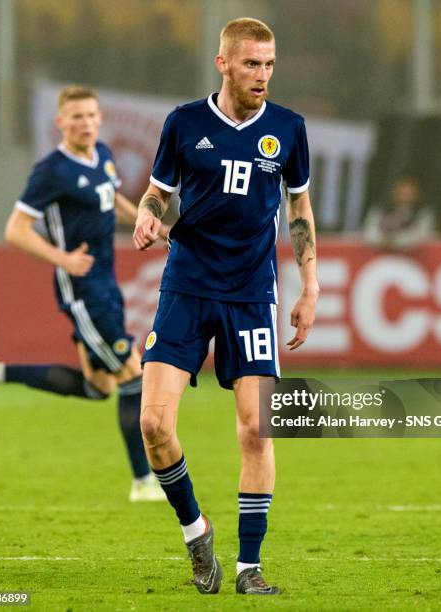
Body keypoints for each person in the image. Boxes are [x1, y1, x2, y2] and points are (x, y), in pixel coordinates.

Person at [133, 18, 318, 595]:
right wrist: (147, 212)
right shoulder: (184, 123)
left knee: (256, 432)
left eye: (269, 64)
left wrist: (311, 286)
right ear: (223, 64)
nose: (262, 75)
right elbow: (159, 190)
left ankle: (248, 568)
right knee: (153, 424)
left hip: (251, 294)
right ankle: (197, 533)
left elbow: (300, 210)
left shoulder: (288, 128)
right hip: (186, 285)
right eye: (250, 64)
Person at [0, 85, 165, 503]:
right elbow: (15, 229)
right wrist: (62, 259)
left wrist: (148, 223)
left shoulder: (103, 155)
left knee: (97, 386)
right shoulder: (51, 171)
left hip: (105, 282)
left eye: (91, 115)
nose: (86, 123)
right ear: (61, 123)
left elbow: (115, 200)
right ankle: (143, 482)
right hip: (83, 288)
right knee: (132, 375)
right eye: (77, 117)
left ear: (99, 118)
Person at [362, 176, 435, 249]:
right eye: (402, 192)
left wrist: (395, 240)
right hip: (381, 255)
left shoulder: (423, 213)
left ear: (417, 194)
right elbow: (369, 232)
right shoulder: (380, 209)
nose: (406, 196)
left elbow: (422, 236)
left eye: (410, 192)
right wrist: (381, 238)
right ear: (395, 192)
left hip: (412, 257)